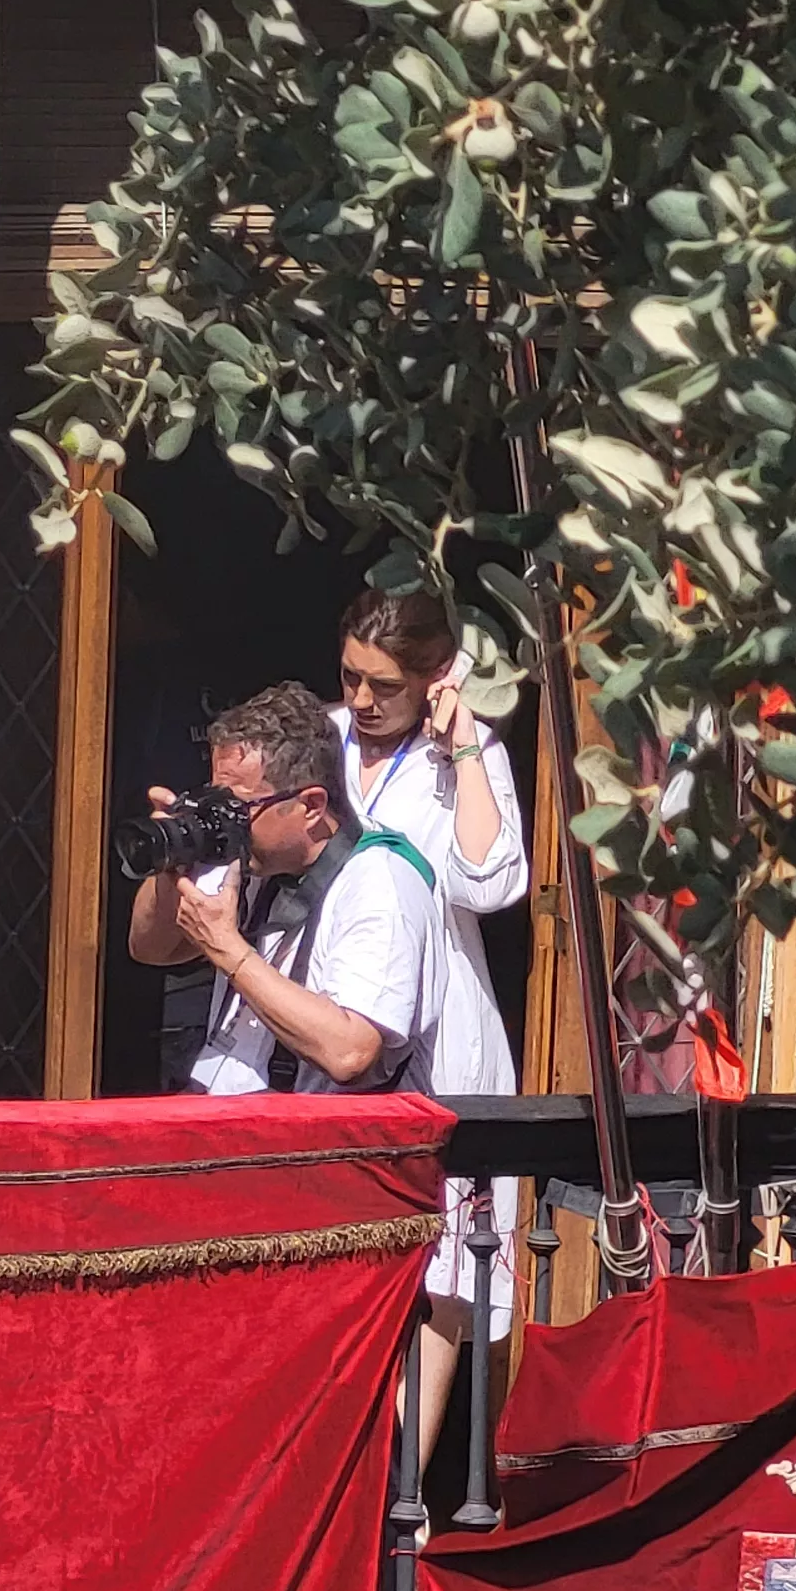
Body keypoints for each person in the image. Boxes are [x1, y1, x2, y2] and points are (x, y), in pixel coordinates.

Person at [331, 586, 531, 1461]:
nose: (365, 702)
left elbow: (489, 883)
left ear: (437, 680)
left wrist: (463, 751)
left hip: (444, 1028)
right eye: (352, 679)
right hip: (338, 1008)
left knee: (442, 1268)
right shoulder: (324, 740)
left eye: (386, 687)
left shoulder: (466, 753)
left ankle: (397, 1501)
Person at [124, 682, 442, 1096]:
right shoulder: (256, 858)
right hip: (225, 1115)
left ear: (310, 806)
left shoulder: (381, 883)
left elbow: (350, 1052)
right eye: (216, 799)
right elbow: (151, 948)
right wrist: (174, 855)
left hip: (317, 1142)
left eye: (238, 806)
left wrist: (228, 949)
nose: (227, 820)